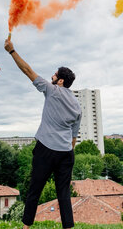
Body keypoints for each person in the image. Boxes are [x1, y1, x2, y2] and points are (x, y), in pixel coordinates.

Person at [4, 38, 81, 229]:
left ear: (60, 81)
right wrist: (68, 153)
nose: (52, 76)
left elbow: (28, 71)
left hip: (46, 150)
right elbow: (74, 137)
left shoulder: (52, 90)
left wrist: (12, 51)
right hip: (66, 153)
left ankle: (26, 226)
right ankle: (68, 227)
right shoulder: (77, 105)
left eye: (54, 75)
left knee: (34, 190)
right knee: (63, 193)